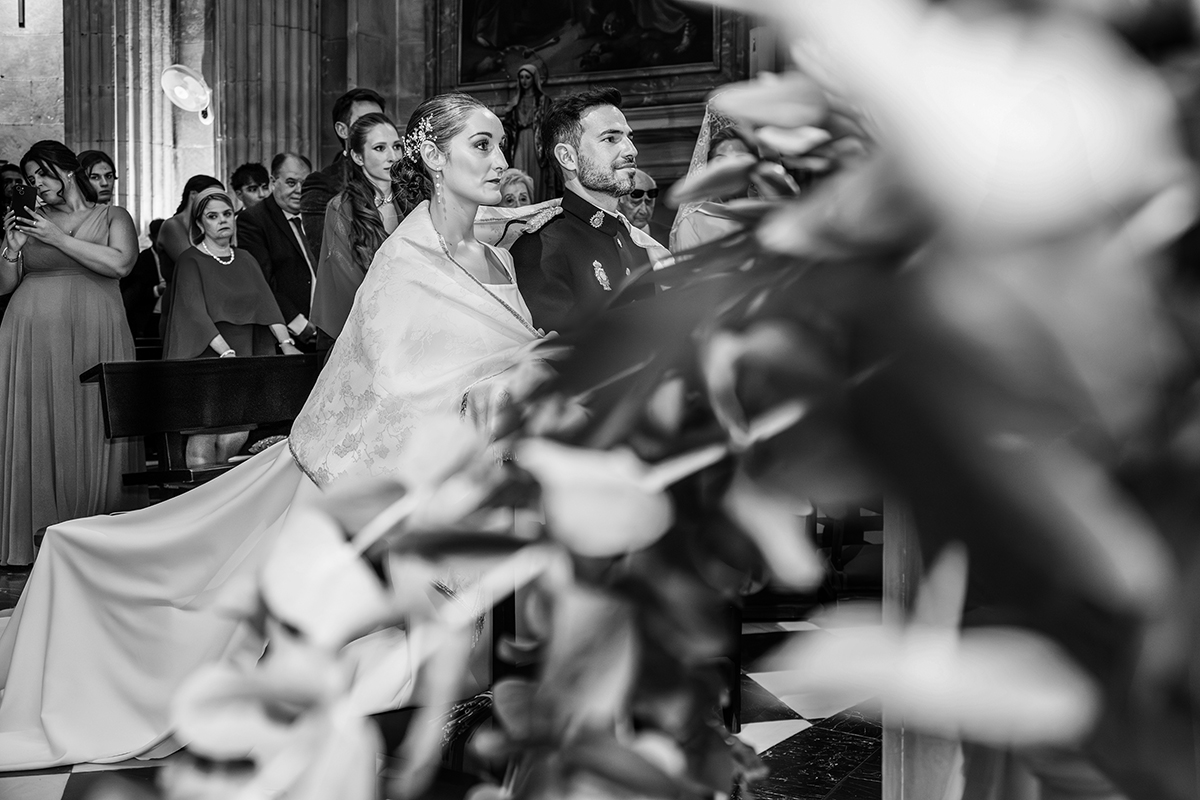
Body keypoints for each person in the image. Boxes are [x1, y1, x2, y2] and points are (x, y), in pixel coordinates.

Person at [0, 92, 544, 770]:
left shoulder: (499, 259)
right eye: (481, 146)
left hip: (484, 478)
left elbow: (504, 360)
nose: (499, 161)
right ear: (433, 156)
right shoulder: (407, 258)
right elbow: (391, 385)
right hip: (372, 481)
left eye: (500, 146)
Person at [0, 140, 143, 566]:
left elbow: (120, 264)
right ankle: (34, 538)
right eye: (29, 178)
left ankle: (100, 539)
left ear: (66, 169)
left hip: (98, 330)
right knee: (40, 426)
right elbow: (5, 285)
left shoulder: (114, 216)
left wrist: (58, 238)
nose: (36, 184)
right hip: (32, 336)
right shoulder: (33, 219)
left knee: (98, 423)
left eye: (42, 174)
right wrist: (11, 247)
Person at [509, 87, 669, 334]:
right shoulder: (541, 250)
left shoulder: (633, 240)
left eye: (629, 137)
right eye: (611, 139)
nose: (631, 150)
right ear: (568, 157)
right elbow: (557, 354)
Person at [163, 188, 301, 466]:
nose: (222, 220)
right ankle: (202, 492)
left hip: (242, 356)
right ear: (200, 223)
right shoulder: (190, 260)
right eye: (212, 216)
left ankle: (220, 487)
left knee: (236, 433)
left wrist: (286, 343)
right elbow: (194, 313)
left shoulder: (246, 258)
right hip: (205, 355)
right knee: (204, 434)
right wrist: (225, 353)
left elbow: (267, 304)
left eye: (227, 214)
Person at [311, 112, 406, 345]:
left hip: (408, 323)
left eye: (396, 146)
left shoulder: (415, 201)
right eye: (380, 148)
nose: (393, 157)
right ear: (357, 156)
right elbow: (348, 278)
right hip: (354, 329)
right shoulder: (341, 208)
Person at [238, 153, 319, 351]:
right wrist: (300, 325)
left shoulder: (318, 214)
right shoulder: (254, 220)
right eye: (291, 182)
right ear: (274, 181)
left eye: (305, 183)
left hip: (327, 329)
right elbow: (261, 281)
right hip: (287, 335)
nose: (299, 190)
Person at [301, 88, 386, 257]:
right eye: (365, 122)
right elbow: (329, 253)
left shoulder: (397, 177)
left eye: (380, 121)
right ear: (342, 130)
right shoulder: (322, 185)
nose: (376, 130)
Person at [669, 115, 754, 252]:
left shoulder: (771, 212)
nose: (729, 169)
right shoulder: (694, 222)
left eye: (739, 159)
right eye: (721, 161)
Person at [502, 64, 554, 203]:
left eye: (527, 77)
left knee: (537, 175)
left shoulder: (544, 101)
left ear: (534, 78)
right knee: (519, 172)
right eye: (521, 77)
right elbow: (509, 125)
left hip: (537, 143)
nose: (524, 81)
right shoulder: (515, 102)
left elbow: (550, 123)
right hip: (519, 141)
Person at [120, 217, 166, 338]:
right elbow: (132, 293)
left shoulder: (177, 258)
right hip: (148, 320)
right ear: (152, 238)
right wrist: (156, 290)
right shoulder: (140, 261)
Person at [616, 168, 670, 246]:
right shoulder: (608, 238)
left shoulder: (670, 236)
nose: (644, 211)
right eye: (635, 203)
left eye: (649, 202)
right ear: (617, 203)